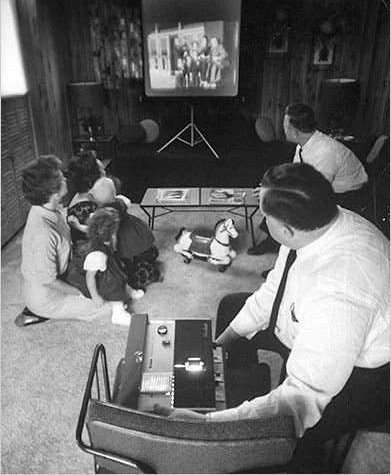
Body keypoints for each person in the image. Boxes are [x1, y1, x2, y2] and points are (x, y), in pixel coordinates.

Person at [154, 163, 389, 472]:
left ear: (287, 229)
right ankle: (236, 390)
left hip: (357, 379)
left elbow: (300, 400)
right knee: (232, 307)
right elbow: (274, 291)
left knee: (283, 446)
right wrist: (221, 344)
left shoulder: (338, 295)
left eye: (266, 216)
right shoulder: (317, 225)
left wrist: (209, 426)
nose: (263, 221)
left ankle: (258, 438)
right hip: (307, 325)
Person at [14, 155, 131, 328]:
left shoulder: (47, 208)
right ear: (53, 192)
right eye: (61, 177)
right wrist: (80, 293)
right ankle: (35, 312)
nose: (65, 178)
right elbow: (48, 280)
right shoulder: (42, 233)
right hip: (47, 295)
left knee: (112, 279)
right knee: (107, 306)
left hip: (67, 271)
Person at [248, 103, 369, 256]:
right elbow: (295, 176)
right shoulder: (305, 143)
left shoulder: (325, 152)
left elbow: (313, 193)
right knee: (277, 198)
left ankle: (292, 256)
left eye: (285, 126)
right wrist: (271, 189)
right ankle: (273, 242)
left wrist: (275, 193)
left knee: (292, 209)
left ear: (294, 132)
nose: (282, 129)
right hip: (325, 187)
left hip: (349, 197)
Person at [89, 177, 160, 290]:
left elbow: (100, 227)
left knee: (123, 259)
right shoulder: (119, 202)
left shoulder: (102, 212)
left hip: (121, 236)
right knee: (143, 250)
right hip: (134, 230)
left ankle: (138, 266)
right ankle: (146, 257)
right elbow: (127, 203)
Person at [64, 207, 144, 306]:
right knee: (114, 281)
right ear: (110, 232)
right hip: (84, 279)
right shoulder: (97, 255)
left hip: (100, 264)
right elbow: (89, 277)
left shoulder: (101, 237)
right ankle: (118, 310)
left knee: (120, 270)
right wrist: (95, 296)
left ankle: (129, 290)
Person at [65, 150, 106, 245]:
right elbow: (99, 233)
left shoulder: (88, 195)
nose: (105, 173)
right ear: (91, 179)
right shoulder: (82, 207)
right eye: (102, 171)